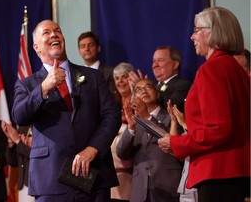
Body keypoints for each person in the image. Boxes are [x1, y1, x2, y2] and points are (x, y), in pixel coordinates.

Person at [12, 20, 121, 202]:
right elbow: (20, 116)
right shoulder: (27, 84)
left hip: (93, 174)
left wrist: (92, 149)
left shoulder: (93, 77)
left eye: (57, 31)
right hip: (50, 179)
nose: (54, 34)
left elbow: (111, 116)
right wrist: (44, 88)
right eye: (46, 32)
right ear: (36, 47)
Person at [158, 6, 250, 202]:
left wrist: (175, 142)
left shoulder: (212, 69)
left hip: (217, 172)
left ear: (214, 32)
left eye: (196, 30)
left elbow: (219, 128)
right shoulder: (235, 69)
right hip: (236, 171)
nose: (192, 37)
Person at [117, 78, 182, 202]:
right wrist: (130, 127)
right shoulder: (135, 122)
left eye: (148, 87)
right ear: (134, 97)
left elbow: (174, 143)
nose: (144, 91)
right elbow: (122, 153)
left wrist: (147, 117)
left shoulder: (172, 116)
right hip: (140, 191)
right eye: (139, 89)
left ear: (157, 94)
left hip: (168, 187)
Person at [128, 45, 191, 113]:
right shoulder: (154, 86)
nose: (155, 65)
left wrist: (146, 93)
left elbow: (169, 108)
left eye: (160, 60)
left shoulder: (183, 85)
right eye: (154, 61)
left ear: (175, 64)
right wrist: (138, 92)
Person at [110, 62, 135, 202]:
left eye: (124, 77)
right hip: (111, 175)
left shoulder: (139, 101)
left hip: (130, 173)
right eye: (117, 78)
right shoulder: (112, 102)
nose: (120, 82)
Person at [167, 100, 198, 202]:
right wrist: (174, 121)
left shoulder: (201, 127)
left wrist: (184, 123)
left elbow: (196, 141)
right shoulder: (188, 128)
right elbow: (174, 147)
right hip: (185, 187)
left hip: (198, 185)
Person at [1, 121, 34, 202]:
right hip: (22, 185)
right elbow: (12, 162)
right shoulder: (23, 127)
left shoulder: (42, 126)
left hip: (36, 185)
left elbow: (37, 155)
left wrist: (18, 141)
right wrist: (11, 141)